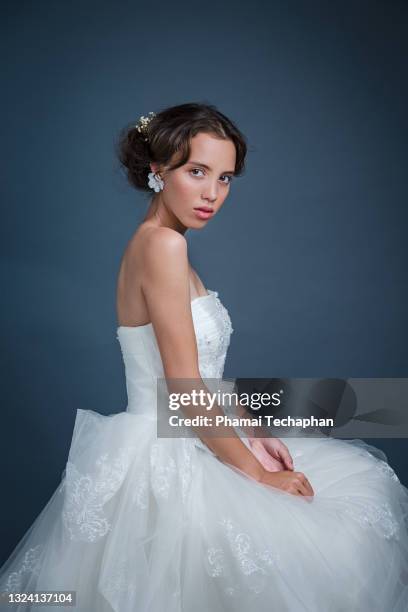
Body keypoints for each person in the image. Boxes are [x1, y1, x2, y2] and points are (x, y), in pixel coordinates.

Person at [0, 102, 407, 611]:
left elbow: (201, 379)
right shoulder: (161, 248)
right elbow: (184, 388)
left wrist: (251, 429)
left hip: (191, 434)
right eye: (197, 172)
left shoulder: (165, 243)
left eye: (226, 178)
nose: (213, 193)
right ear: (158, 171)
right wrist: (257, 477)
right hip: (169, 451)